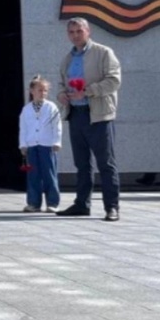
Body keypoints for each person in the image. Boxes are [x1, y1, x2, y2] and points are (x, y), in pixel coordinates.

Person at [55, 18, 122, 221]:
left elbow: (114, 81)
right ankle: (81, 204)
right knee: (82, 164)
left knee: (106, 163)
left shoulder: (104, 53)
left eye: (79, 31)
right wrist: (61, 94)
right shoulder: (68, 57)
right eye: (72, 32)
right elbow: (60, 82)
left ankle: (112, 207)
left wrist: (88, 92)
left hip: (98, 115)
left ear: (88, 31)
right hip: (76, 115)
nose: (75, 35)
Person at [18, 75, 62, 213]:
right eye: (39, 90)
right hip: (32, 145)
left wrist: (57, 141)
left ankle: (52, 202)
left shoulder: (51, 107)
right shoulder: (26, 109)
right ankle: (33, 203)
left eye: (45, 91)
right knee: (33, 175)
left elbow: (57, 126)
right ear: (32, 91)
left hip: (47, 144)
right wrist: (23, 144)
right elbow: (23, 128)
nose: (42, 93)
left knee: (49, 174)